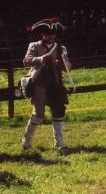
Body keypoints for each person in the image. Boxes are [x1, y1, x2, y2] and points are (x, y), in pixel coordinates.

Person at [21, 18, 72, 151]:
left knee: (59, 111)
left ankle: (60, 144)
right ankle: (26, 142)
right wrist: (42, 58)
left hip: (56, 83)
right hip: (39, 82)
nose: (50, 36)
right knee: (38, 114)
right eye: (47, 34)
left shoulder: (61, 48)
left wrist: (62, 62)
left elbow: (68, 68)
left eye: (52, 34)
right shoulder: (34, 46)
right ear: (42, 34)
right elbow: (26, 61)